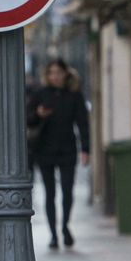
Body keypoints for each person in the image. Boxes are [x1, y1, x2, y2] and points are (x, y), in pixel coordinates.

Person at [27, 59, 92, 250]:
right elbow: (28, 119)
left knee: (67, 192)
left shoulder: (74, 95)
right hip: (44, 150)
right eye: (51, 73)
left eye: (58, 72)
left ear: (65, 74)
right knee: (49, 193)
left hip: (67, 150)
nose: (55, 76)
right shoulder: (40, 94)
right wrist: (39, 114)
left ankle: (65, 227)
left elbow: (83, 124)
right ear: (47, 75)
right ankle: (54, 234)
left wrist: (86, 149)